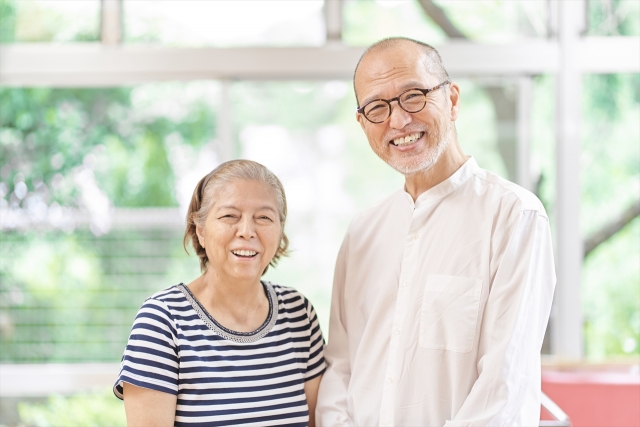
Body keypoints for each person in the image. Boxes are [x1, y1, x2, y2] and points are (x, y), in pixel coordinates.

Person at [316, 37, 556, 426]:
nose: (398, 121)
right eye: (378, 107)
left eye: (413, 96)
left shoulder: (514, 215)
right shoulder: (363, 231)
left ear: (453, 100)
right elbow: (342, 368)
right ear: (363, 124)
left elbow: (504, 387)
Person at [114, 160, 326, 427]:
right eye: (229, 216)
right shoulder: (162, 321)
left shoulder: (299, 314)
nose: (247, 231)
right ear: (200, 230)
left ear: (280, 229)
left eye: (264, 217)